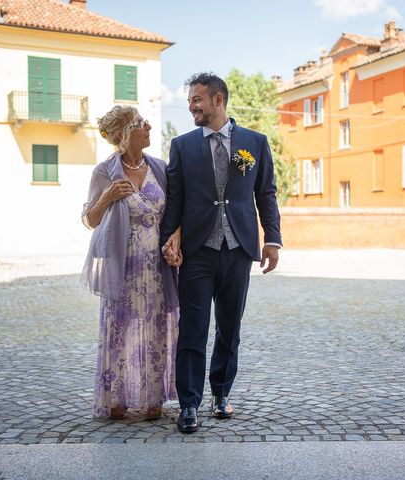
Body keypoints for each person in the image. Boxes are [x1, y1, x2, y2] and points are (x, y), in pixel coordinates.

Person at [160, 73, 282, 433]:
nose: (192, 107)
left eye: (197, 100)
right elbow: (175, 199)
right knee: (193, 330)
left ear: (218, 99)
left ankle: (221, 394)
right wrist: (170, 239)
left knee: (230, 329)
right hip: (198, 251)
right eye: (189, 102)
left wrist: (272, 239)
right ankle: (189, 405)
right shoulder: (182, 146)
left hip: (239, 250)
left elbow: (266, 194)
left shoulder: (254, 143)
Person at [81, 105, 181, 420]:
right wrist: (107, 196)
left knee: (155, 327)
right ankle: (116, 397)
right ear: (126, 134)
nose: (149, 126)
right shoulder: (104, 171)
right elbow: (90, 219)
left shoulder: (160, 168)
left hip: (156, 267)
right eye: (141, 123)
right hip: (122, 267)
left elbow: (177, 213)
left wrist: (175, 238)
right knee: (120, 329)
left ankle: (153, 397)